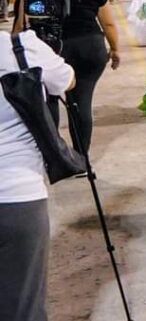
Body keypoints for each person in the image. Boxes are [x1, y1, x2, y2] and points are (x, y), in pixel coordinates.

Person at [12, 0, 120, 154]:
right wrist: (115, 49)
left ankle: (56, 155)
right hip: (89, 48)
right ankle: (81, 157)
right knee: (81, 100)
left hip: (50, 49)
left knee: (49, 99)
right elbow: (108, 23)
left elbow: (18, 28)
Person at [0, 28, 75, 321]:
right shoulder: (21, 47)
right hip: (18, 195)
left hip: (18, 194)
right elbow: (67, 80)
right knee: (22, 309)